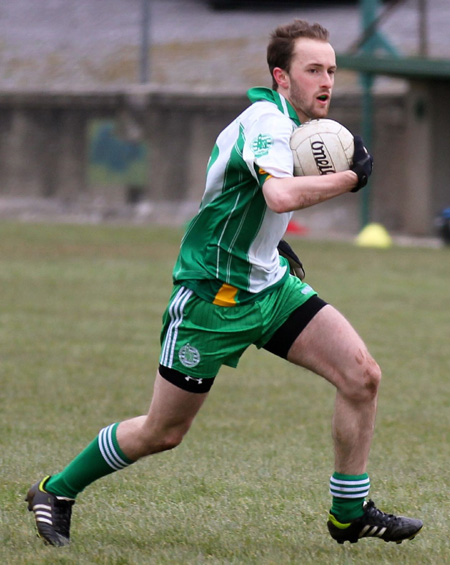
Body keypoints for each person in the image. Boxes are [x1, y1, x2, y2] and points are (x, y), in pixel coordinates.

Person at [26, 19, 423, 547]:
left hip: (270, 288)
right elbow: (280, 197)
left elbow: (244, 198)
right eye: (313, 70)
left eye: (331, 69)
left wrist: (265, 243)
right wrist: (351, 178)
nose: (326, 80)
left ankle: (349, 513)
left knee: (362, 376)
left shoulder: (291, 126)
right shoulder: (267, 121)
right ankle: (55, 489)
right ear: (281, 77)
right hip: (211, 299)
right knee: (163, 432)